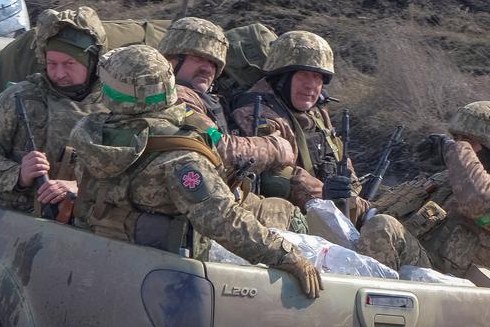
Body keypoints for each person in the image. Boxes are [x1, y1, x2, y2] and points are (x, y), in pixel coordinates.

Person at [72, 44, 323, 298]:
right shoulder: (180, 155)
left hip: (101, 263)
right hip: (168, 282)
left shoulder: (91, 136)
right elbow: (222, 218)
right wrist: (285, 255)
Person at [356, 101, 490, 276]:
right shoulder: (444, 181)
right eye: (455, 139)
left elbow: (478, 201)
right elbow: (375, 212)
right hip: (413, 273)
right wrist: (345, 201)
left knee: (385, 227)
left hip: (447, 293)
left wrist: (453, 150)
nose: (458, 145)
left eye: (466, 141)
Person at [158, 17, 304, 233]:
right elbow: (217, 145)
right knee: (291, 219)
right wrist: (274, 147)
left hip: (212, 199)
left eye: (214, 63)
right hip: (195, 205)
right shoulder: (175, 96)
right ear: (171, 59)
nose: (208, 68)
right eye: (199, 58)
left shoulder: (207, 100)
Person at [0, 7, 106, 213]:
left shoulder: (112, 107)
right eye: (52, 63)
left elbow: (128, 178)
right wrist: (17, 175)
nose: (59, 73)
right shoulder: (20, 98)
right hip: (18, 219)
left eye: (69, 63)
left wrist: (79, 188)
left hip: (85, 226)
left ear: (93, 62)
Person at [229, 31, 362, 216]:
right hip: (282, 217)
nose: (311, 85)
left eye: (318, 77)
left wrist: (355, 197)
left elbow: (339, 157)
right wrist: (325, 195)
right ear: (281, 77)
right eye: (304, 75)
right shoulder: (255, 112)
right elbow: (277, 176)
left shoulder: (317, 112)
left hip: (327, 212)